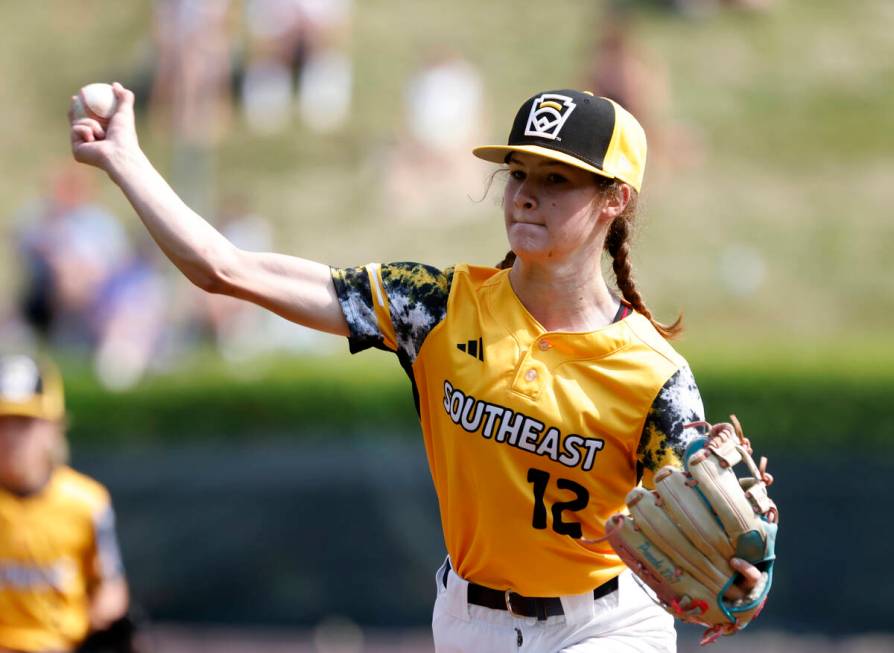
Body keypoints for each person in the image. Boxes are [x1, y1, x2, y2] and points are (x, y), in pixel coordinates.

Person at [69, 84, 766, 652]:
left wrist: (740, 564)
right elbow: (226, 269)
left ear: (615, 200)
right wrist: (125, 159)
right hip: (470, 623)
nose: (525, 193)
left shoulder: (654, 373)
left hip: (605, 626)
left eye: (558, 179)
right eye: (518, 173)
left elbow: (714, 517)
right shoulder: (434, 307)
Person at [0, 354, 131, 653]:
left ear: (54, 428)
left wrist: (93, 626)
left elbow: (111, 588)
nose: (10, 437)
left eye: (24, 422)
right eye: (2, 422)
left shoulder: (85, 501)